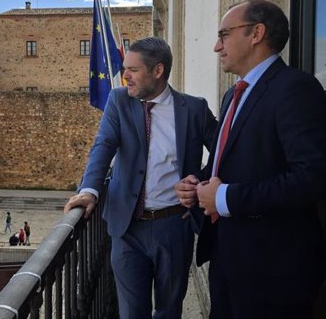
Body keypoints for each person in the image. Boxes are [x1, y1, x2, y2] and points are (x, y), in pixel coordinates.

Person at [176, 0, 326, 319]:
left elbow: (318, 177)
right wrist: (199, 184)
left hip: (274, 272)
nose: (215, 46)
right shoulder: (233, 93)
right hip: (228, 260)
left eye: (224, 35)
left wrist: (225, 197)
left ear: (256, 33)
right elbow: (230, 160)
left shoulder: (296, 88)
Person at [64, 36, 217, 318]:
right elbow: (104, 146)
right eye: (125, 68)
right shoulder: (118, 100)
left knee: (169, 310)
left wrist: (200, 183)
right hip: (127, 228)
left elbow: (223, 152)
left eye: (133, 70)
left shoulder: (194, 109)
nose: (125, 76)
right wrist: (89, 190)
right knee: (132, 313)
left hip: (174, 225)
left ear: (158, 71)